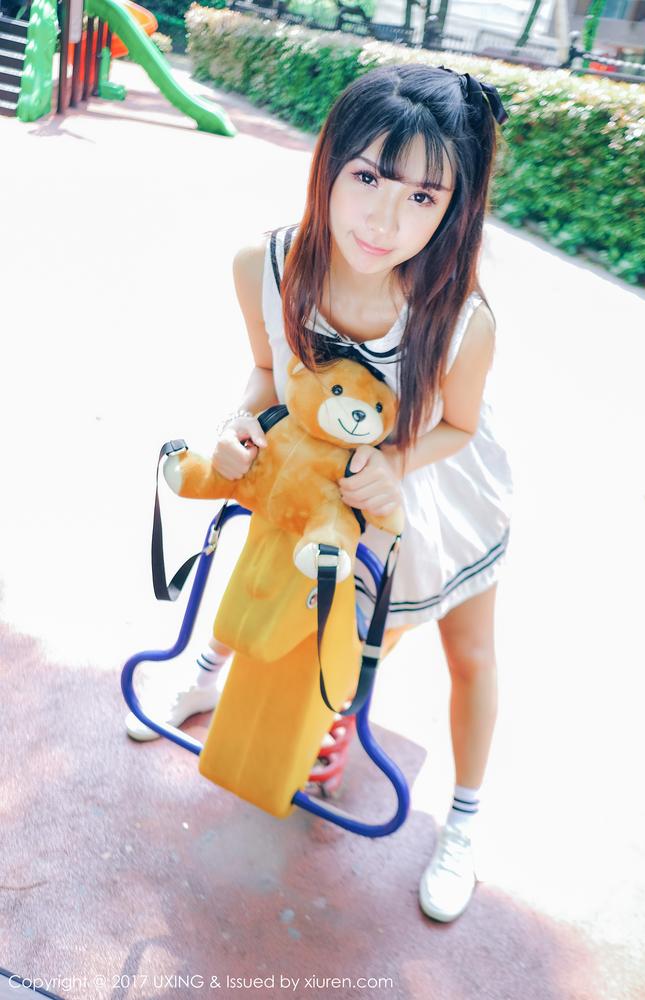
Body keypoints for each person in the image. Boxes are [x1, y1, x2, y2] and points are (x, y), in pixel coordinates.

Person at [126, 63, 513, 923]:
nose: (385, 220)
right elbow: (267, 374)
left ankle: (463, 822)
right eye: (369, 178)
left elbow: (459, 426)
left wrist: (399, 463)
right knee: (271, 558)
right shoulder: (265, 264)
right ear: (329, 163)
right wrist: (238, 426)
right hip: (316, 464)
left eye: (422, 196)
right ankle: (204, 674)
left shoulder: (460, 319)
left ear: (453, 208)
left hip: (427, 476)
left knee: (469, 654)